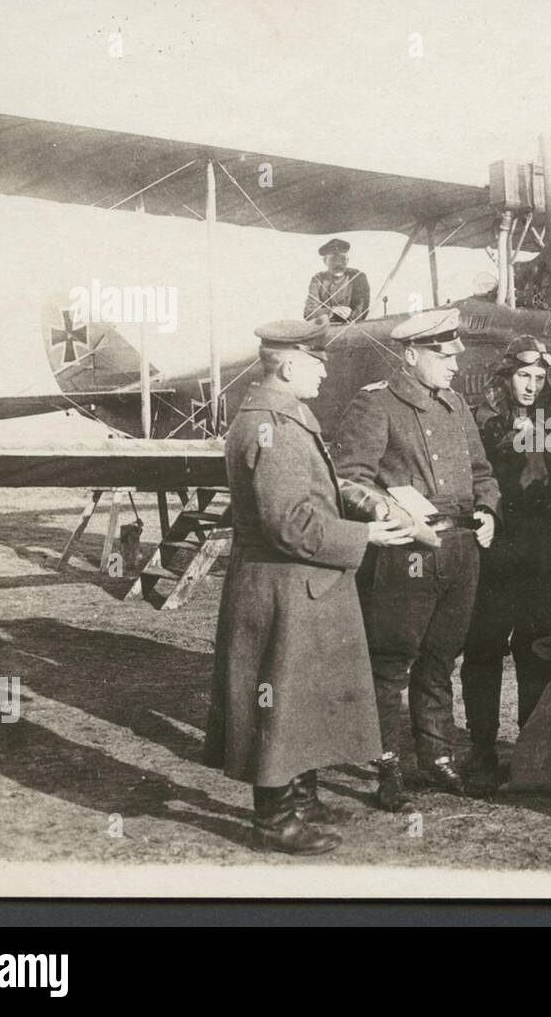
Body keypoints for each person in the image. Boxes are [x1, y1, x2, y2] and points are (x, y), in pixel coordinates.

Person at [203, 317, 415, 854]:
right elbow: (290, 523)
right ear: (292, 363)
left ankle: (300, 801)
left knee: (297, 701)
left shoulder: (282, 415)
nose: (326, 371)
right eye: (319, 361)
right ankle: (275, 822)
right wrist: (366, 534)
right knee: (278, 705)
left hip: (301, 583)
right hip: (285, 584)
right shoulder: (271, 423)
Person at [330, 307, 500, 802]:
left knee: (440, 660)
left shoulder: (457, 405)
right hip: (407, 552)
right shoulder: (375, 405)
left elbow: (482, 472)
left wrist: (488, 510)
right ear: (411, 355)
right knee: (390, 664)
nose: (453, 365)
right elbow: (349, 479)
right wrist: (389, 513)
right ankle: (388, 769)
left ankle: (438, 760)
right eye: (443, 355)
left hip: (461, 549)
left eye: (453, 355)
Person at [459, 336, 551, 788]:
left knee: (536, 648)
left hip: (544, 557)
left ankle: (530, 745)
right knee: (484, 647)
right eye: (523, 376)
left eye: (538, 378)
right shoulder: (479, 423)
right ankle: (481, 747)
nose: (530, 386)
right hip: (494, 552)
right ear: (505, 376)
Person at [304, 238, 371, 323]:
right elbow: (308, 313)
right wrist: (331, 311)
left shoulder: (358, 277)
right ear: (325, 261)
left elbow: (362, 310)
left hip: (352, 328)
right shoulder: (318, 279)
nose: (338, 264)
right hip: (327, 329)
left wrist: (348, 314)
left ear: (347, 260)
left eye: (342, 259)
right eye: (333, 260)